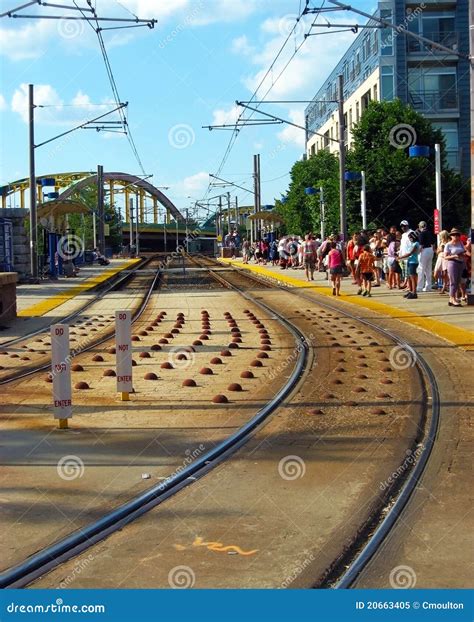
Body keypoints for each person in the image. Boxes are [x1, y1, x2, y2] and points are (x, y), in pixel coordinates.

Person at [444, 228, 466, 307]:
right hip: (452, 263)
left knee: (457, 282)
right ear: (451, 236)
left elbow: (464, 251)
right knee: (453, 282)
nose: (456, 236)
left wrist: (462, 254)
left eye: (457, 235)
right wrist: (455, 255)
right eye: (454, 235)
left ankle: (452, 298)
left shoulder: (460, 243)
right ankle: (452, 298)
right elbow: (445, 257)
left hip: (460, 263)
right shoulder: (448, 245)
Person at [399, 231, 420, 299]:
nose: (410, 239)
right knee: (409, 278)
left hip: (413, 262)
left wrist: (400, 257)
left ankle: (414, 292)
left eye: (410, 238)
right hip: (410, 261)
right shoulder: (413, 244)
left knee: (412, 278)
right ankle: (411, 291)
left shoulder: (416, 244)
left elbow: (410, 253)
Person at [416, 221, 436, 292]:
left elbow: (421, 245)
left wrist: (417, 253)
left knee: (421, 269)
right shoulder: (429, 232)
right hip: (430, 250)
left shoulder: (421, 234)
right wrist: (433, 251)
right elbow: (433, 244)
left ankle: (419, 287)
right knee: (428, 269)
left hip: (424, 251)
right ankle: (428, 286)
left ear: (420, 226)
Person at [399, 220, 414, 286]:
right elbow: (402, 246)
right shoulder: (403, 235)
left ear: (407, 225)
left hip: (410, 256)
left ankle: (410, 287)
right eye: (402, 226)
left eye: (404, 226)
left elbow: (413, 245)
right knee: (406, 272)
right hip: (404, 256)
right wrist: (400, 254)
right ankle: (408, 285)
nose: (403, 227)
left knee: (410, 272)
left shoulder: (412, 233)